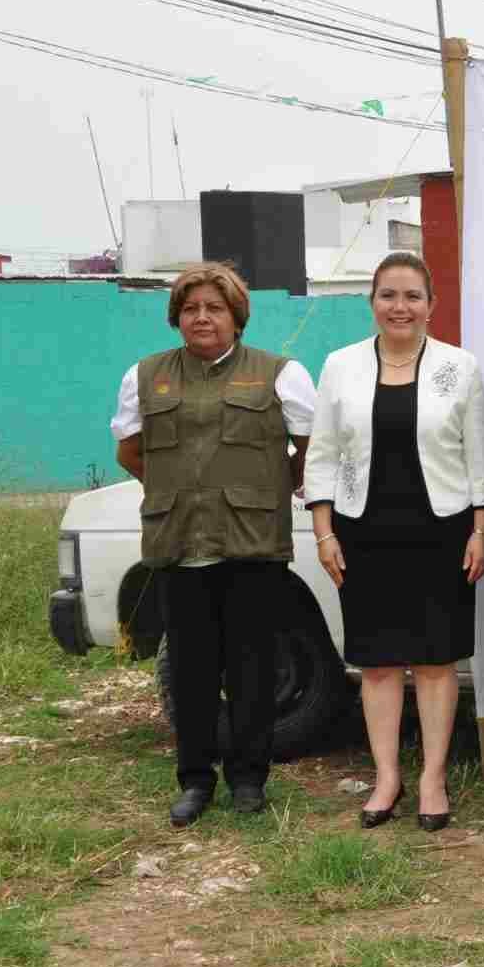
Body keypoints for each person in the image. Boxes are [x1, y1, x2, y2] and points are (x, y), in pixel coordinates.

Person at [111, 261, 316, 827]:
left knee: (252, 668)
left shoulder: (281, 373)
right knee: (190, 672)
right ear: (177, 317)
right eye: (191, 308)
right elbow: (130, 452)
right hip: (180, 545)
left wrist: (278, 486)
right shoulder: (145, 376)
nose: (202, 318)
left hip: (252, 545)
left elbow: (309, 445)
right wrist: (177, 489)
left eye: (215, 308)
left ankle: (249, 780)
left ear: (236, 317)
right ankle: (195, 781)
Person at [303, 252, 484, 833]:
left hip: (443, 531)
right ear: (372, 303)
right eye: (389, 295)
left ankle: (433, 777)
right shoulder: (339, 366)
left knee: (436, 661)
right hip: (363, 534)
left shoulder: (460, 368)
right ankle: (387, 777)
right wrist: (324, 530)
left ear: (431, 305)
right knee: (379, 665)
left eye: (413, 296)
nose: (400, 306)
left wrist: (483, 531)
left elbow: (479, 458)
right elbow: (323, 454)